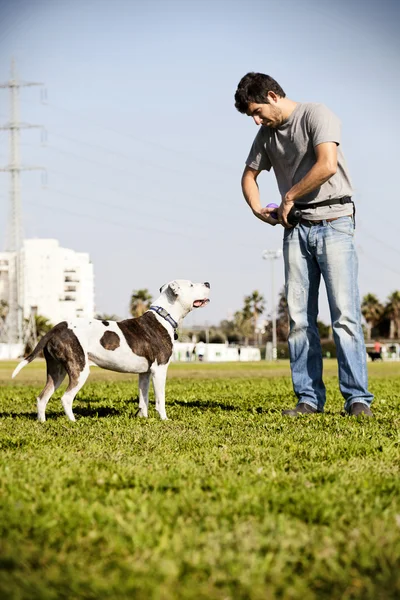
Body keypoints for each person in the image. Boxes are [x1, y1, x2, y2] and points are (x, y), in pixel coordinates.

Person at [234, 72, 374, 417]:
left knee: (344, 316)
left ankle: (357, 399)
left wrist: (289, 197)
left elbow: (326, 165)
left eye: (256, 111)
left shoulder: (316, 114)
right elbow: (249, 176)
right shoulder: (265, 135)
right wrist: (257, 209)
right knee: (299, 320)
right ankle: (308, 399)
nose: (256, 120)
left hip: (335, 222)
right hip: (295, 230)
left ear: (272, 95)